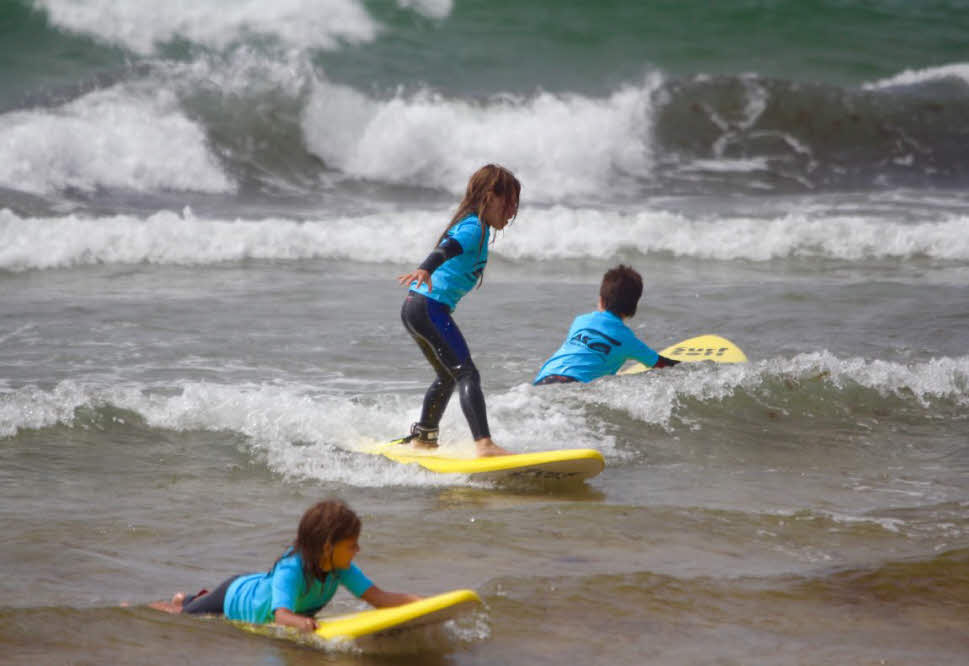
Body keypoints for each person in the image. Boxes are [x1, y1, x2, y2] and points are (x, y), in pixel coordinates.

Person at [396, 164, 521, 457]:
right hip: (428, 307)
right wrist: (425, 268)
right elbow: (447, 249)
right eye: (509, 202)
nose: (513, 211)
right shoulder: (473, 227)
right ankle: (484, 444)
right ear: (490, 196)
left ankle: (424, 438)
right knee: (467, 373)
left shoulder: (475, 226)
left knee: (447, 375)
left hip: (416, 308)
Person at [148, 499, 419, 632]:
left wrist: (423, 603)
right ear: (327, 546)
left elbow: (379, 598)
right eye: (351, 545)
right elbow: (282, 616)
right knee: (181, 618)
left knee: (189, 604)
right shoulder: (291, 570)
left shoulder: (341, 568)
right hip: (235, 598)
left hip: (257, 588)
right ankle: (157, 605)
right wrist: (304, 625)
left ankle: (187, 598)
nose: (358, 550)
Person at [534, 265, 679, 385]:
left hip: (544, 379)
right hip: (574, 385)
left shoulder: (580, 321)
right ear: (633, 308)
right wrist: (687, 366)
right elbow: (659, 364)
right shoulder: (627, 340)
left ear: (601, 300)